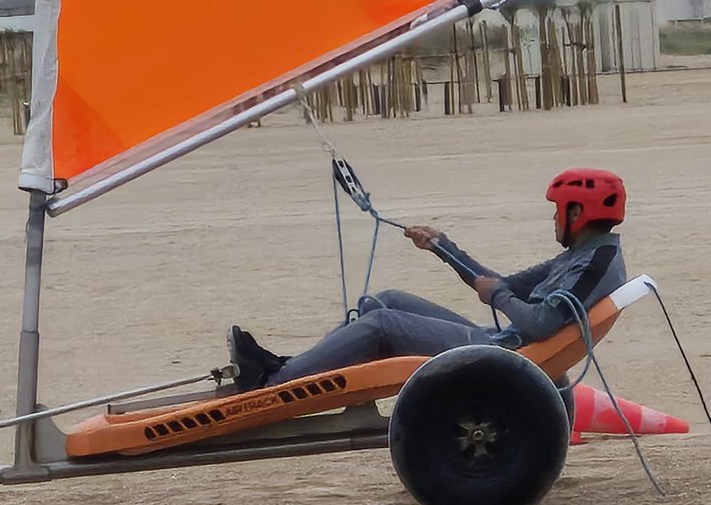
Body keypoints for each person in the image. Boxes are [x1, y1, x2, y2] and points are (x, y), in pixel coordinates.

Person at [226, 167, 629, 392]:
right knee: (381, 302)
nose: (554, 218)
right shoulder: (585, 254)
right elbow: (501, 282)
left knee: (382, 325)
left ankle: (275, 383)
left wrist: (499, 296)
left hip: (505, 352)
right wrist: (441, 246)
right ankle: (292, 368)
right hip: (506, 343)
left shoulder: (595, 263)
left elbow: (538, 322)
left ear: (578, 214)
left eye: (558, 210)